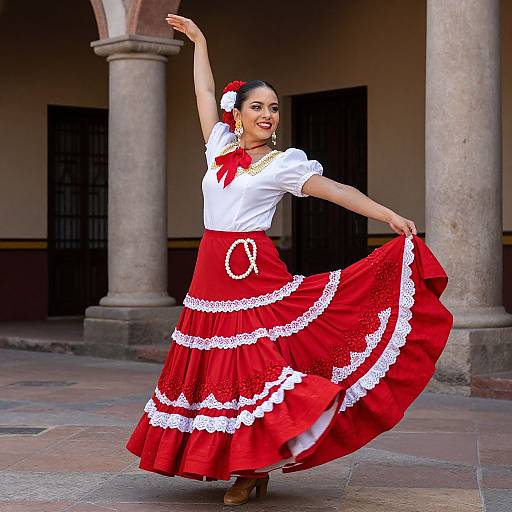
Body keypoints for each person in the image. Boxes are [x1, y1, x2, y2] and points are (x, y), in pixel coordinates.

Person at [125, 14, 454, 506]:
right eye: (258, 106)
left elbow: (336, 190)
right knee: (219, 370)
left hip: (252, 269)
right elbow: (202, 92)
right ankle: (245, 467)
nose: (268, 115)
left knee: (254, 365)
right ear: (236, 112)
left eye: (274, 109)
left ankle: (255, 465)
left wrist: (387, 214)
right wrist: (199, 42)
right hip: (211, 272)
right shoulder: (218, 148)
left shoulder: (284, 164)